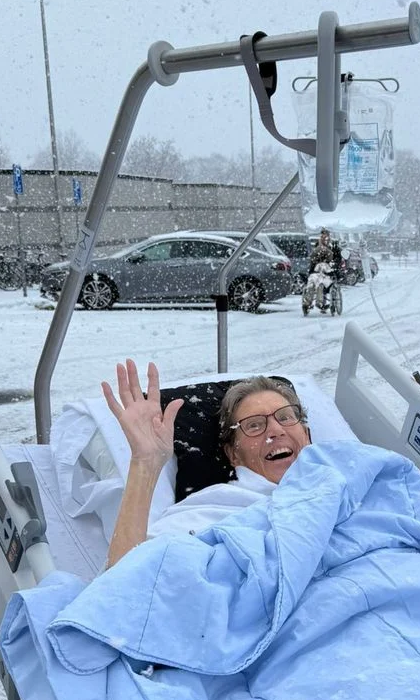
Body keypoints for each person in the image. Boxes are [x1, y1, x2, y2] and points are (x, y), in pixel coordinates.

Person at [101, 360, 311, 567]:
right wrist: (145, 463)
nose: (275, 430)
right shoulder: (213, 511)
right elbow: (123, 586)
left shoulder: (341, 480)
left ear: (307, 434)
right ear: (233, 454)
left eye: (285, 417)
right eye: (254, 425)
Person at [303, 228, 342, 313]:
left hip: (328, 273)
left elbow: (338, 258)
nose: (324, 236)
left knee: (320, 284)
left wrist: (333, 265)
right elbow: (313, 260)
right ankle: (307, 302)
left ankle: (319, 303)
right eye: (323, 234)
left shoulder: (334, 246)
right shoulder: (318, 246)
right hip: (317, 272)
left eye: (326, 234)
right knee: (311, 285)